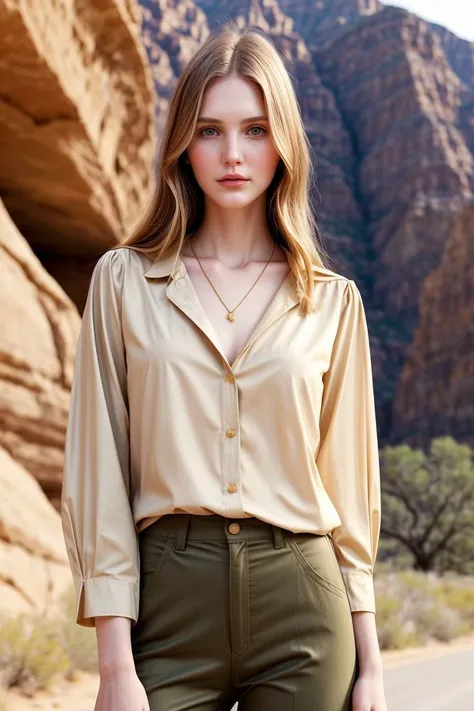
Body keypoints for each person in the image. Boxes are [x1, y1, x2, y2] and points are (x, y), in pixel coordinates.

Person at [60, 20, 386, 711]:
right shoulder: (121, 282)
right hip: (166, 609)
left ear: (285, 143)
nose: (232, 153)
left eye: (255, 129)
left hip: (304, 602)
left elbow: (351, 499)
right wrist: (115, 666)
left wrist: (373, 668)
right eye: (209, 130)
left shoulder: (333, 303)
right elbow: (99, 472)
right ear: (182, 142)